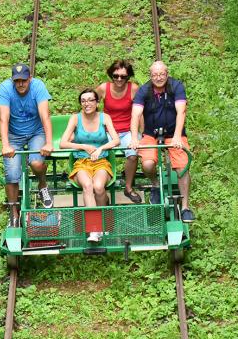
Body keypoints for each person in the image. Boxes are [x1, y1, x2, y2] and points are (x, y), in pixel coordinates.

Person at [129, 60, 195, 222]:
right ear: (150, 76)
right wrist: (133, 137)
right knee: (148, 164)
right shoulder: (144, 90)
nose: (158, 78)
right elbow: (136, 114)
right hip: (151, 133)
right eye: (155, 75)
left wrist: (178, 135)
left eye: (162, 74)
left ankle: (185, 206)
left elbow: (181, 111)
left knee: (182, 167)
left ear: (167, 73)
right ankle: (155, 183)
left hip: (173, 133)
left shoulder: (176, 86)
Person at [59, 89, 120, 242]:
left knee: (98, 187)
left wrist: (101, 148)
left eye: (90, 100)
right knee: (88, 186)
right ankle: (94, 228)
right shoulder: (75, 118)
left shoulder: (104, 118)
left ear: (97, 102)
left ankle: (105, 215)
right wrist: (83, 146)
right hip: (81, 162)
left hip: (101, 161)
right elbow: (62, 143)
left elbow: (116, 140)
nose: (87, 103)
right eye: (84, 101)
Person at [0, 63, 54, 227]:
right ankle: (13, 212)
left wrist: (49, 142)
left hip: (36, 132)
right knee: (12, 173)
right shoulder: (6, 89)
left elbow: (45, 116)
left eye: (24, 80)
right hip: (14, 135)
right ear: (12, 80)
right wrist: (6, 144)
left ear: (30, 78)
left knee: (36, 163)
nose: (20, 84)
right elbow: (3, 118)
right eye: (17, 81)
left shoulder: (38, 87)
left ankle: (42, 184)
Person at [95, 59, 142, 203]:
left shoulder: (133, 89)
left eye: (123, 76)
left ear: (128, 77)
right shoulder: (104, 88)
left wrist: (141, 133)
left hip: (128, 130)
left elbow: (140, 112)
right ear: (111, 75)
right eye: (116, 76)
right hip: (109, 130)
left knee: (133, 154)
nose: (119, 79)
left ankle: (128, 187)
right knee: (100, 155)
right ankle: (102, 188)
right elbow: (91, 104)